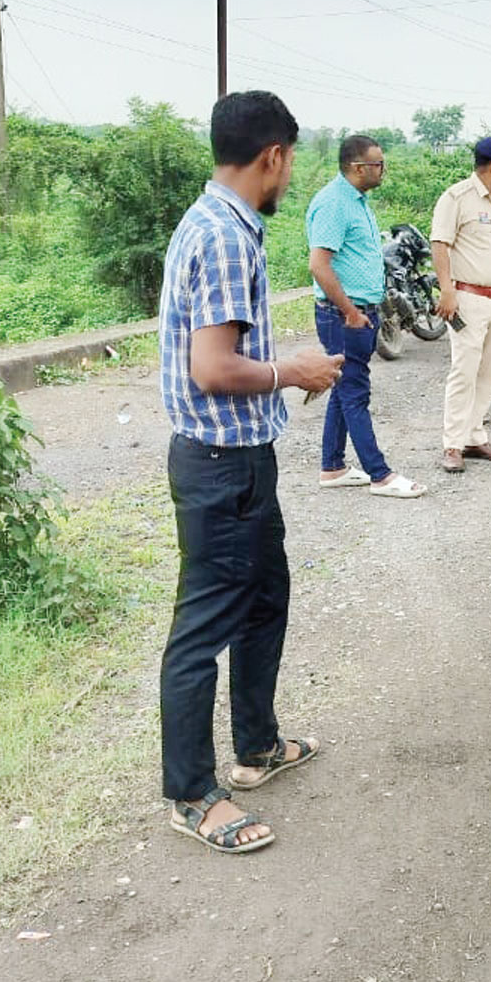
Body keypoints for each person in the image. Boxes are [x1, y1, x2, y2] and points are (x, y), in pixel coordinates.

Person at [158, 90, 344, 853]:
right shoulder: (229, 238)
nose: (289, 175)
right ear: (272, 156)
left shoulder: (214, 220)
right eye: (290, 161)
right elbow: (212, 366)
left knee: (267, 596)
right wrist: (290, 370)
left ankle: (257, 744)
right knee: (203, 628)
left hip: (239, 461)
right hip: (219, 464)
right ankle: (192, 795)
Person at [306, 132, 424, 499]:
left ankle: (333, 467)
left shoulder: (357, 200)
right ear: (359, 168)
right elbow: (319, 265)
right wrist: (351, 312)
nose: (383, 169)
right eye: (379, 164)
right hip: (343, 315)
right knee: (356, 391)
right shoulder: (334, 203)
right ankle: (380, 474)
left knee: (345, 387)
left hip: (359, 311)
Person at [430, 136, 491, 473]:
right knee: (464, 371)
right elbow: (440, 243)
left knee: (489, 372)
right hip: (469, 298)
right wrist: (446, 290)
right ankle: (452, 445)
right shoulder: (457, 198)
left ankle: (475, 436)